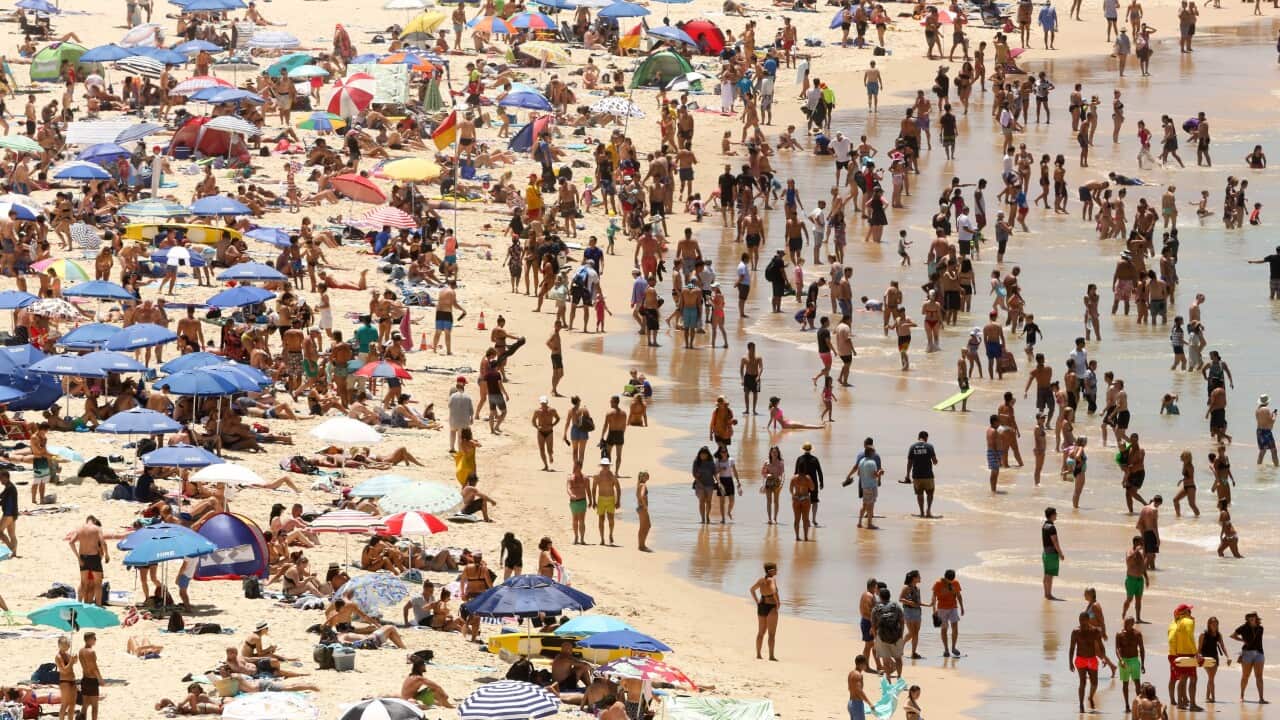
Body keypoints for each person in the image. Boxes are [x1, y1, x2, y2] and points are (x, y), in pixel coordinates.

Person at [1069, 611, 1105, 713]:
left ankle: (1090, 696)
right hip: (1080, 659)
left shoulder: (1095, 631)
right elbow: (1072, 648)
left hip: (1092, 659)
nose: (1081, 622)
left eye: (1083, 620)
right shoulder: (1075, 632)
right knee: (1082, 682)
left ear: (1088, 620)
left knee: (1094, 683)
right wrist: (1070, 662)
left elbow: (1101, 646)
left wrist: (1103, 658)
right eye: (1080, 620)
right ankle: (1081, 705)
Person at [1168, 604, 1202, 711]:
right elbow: (1190, 636)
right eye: (1189, 611)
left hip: (1179, 653)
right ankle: (1192, 704)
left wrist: (1175, 654)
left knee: (1182, 679)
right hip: (1189, 653)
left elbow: (1172, 640)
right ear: (1186, 612)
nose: (1191, 613)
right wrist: (1196, 653)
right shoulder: (1188, 621)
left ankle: (1180, 703)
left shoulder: (1177, 623)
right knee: (1193, 679)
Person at [69, 516, 107, 607]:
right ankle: (98, 606)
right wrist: (107, 555)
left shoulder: (79, 529)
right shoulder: (97, 529)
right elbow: (103, 543)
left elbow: (71, 542)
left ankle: (78, 603)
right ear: (94, 521)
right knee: (98, 584)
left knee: (83, 583)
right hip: (94, 557)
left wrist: (78, 557)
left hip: (83, 557)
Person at [1231, 612, 1266, 704]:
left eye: (1253, 616)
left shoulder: (1260, 628)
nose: (1251, 618)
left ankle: (1261, 698)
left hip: (1259, 653)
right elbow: (1233, 636)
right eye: (1249, 617)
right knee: (1245, 676)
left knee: (1259, 677)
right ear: (1247, 618)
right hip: (1247, 653)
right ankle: (1242, 695)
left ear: (1256, 617)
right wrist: (1242, 640)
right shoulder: (1243, 627)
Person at [749, 563, 780, 661]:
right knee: (771, 634)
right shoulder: (772, 580)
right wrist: (778, 601)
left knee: (761, 632)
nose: (777, 571)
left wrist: (757, 601)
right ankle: (771, 656)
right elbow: (774, 590)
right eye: (775, 569)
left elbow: (752, 589)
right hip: (771, 607)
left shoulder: (761, 580)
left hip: (761, 605)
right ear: (770, 571)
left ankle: (758, 654)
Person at [905, 431, 938, 518]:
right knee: (930, 493)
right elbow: (935, 461)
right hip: (928, 475)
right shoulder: (929, 446)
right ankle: (928, 511)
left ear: (918, 437)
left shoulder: (912, 447)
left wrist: (907, 475)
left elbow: (909, 463)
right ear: (926, 438)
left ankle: (922, 512)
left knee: (919, 494)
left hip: (916, 475)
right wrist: (935, 461)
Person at [931, 569, 964, 657]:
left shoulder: (956, 583)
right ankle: (946, 649)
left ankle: (953, 647)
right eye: (949, 580)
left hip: (953, 607)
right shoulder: (938, 584)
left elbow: (959, 595)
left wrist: (962, 607)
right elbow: (934, 596)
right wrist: (934, 609)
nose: (951, 581)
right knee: (944, 629)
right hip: (942, 608)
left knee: (955, 628)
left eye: (952, 580)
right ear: (945, 577)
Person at [1116, 616, 1147, 710]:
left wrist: (1142, 664)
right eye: (1125, 623)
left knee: (1137, 682)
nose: (1126, 625)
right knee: (1125, 683)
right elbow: (1117, 649)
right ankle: (1127, 705)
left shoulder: (1137, 634)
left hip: (1134, 660)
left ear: (1133, 624)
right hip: (1124, 660)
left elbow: (1141, 649)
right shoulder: (1119, 634)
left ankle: (1139, 704)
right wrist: (1120, 659)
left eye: (1128, 623)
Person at [1122, 535, 1149, 623]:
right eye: (1141, 542)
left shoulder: (1141, 554)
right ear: (1136, 542)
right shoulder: (1129, 552)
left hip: (1139, 580)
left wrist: (1146, 578)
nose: (1142, 543)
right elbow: (1128, 560)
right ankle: (1124, 613)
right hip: (1131, 580)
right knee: (1129, 599)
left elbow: (1142, 567)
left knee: (1138, 600)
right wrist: (1136, 550)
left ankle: (1138, 618)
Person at [1042, 507, 1064, 600]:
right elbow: (1055, 542)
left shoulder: (1044, 525)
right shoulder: (1052, 527)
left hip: (1046, 552)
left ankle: (1046, 593)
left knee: (1047, 574)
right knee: (1049, 575)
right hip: (1051, 554)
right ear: (1052, 515)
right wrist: (1060, 553)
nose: (1057, 515)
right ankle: (1049, 594)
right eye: (1055, 513)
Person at [847, 655, 872, 720]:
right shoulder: (858, 675)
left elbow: (849, 688)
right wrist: (869, 703)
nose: (866, 666)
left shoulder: (851, 673)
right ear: (861, 664)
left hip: (851, 703)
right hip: (857, 704)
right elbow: (859, 690)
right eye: (866, 664)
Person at [0, 470, 16, 558]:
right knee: (12, 534)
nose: (0, 481)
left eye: (1, 478)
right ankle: (14, 553)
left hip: (8, 514)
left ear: (5, 477)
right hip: (14, 514)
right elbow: (1, 496)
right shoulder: (10, 487)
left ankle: (11, 548)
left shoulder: (9, 487)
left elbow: (2, 500)